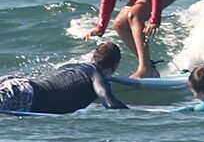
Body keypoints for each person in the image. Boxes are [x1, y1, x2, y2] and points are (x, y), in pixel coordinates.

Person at [0, 42, 128, 114]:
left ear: (93, 57)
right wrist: (138, 117)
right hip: (24, 95)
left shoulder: (72, 66)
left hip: (16, 83)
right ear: (115, 66)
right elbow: (110, 105)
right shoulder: (96, 75)